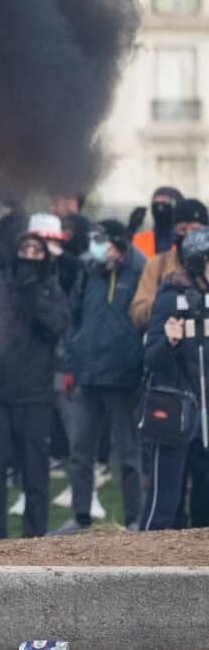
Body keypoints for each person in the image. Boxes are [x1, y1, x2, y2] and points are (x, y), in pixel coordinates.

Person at [0, 231, 70, 539]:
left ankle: (35, 540)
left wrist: (34, 296)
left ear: (45, 257)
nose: (29, 254)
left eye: (36, 250)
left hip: (34, 398)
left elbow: (58, 326)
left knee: (35, 477)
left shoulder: (50, 289)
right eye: (24, 248)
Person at [58, 220, 146, 534]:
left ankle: (135, 519)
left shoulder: (140, 271)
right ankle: (81, 518)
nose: (96, 245)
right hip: (87, 377)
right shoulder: (89, 271)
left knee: (128, 455)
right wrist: (70, 366)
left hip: (124, 380)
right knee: (80, 453)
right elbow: (73, 321)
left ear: (119, 244)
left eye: (102, 240)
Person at [139, 227, 209, 530]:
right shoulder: (170, 299)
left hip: (206, 415)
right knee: (163, 505)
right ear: (198, 262)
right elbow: (151, 357)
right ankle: (144, 570)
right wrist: (170, 341)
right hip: (176, 412)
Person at [131, 199, 209, 330]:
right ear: (174, 232)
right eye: (183, 229)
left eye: (196, 229)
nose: (189, 235)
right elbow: (138, 314)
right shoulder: (157, 265)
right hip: (170, 345)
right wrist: (168, 299)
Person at [133, 187, 184, 259]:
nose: (160, 208)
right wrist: (130, 231)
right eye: (156, 204)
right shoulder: (138, 240)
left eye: (165, 204)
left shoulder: (187, 240)